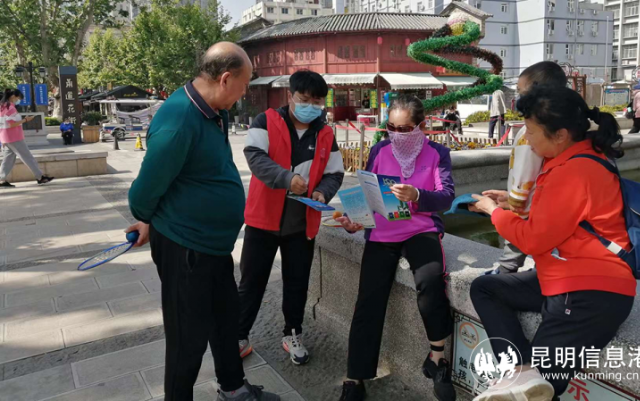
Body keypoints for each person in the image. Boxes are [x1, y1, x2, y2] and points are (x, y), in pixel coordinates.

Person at [127, 43, 279, 401]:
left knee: (225, 320)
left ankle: (233, 388)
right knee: (187, 338)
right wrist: (147, 217)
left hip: (212, 245)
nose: (245, 92)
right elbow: (142, 194)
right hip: (185, 248)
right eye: (245, 84)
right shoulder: (179, 120)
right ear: (225, 79)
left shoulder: (213, 111)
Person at [469, 86, 635, 401]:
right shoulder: (582, 157)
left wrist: (493, 213)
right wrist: (509, 203)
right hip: (565, 280)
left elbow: (532, 240)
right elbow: (566, 217)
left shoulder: (573, 171)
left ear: (560, 134)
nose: (527, 139)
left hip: (588, 294)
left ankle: (525, 378)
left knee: (541, 389)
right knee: (486, 288)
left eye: (531, 132)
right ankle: (519, 371)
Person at [336, 94, 456, 401]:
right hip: (382, 232)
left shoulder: (438, 153)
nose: (396, 134)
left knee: (430, 281)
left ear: (420, 126)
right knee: (368, 299)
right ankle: (355, 376)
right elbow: (367, 191)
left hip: (420, 230)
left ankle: (437, 358)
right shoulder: (379, 150)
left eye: (404, 129)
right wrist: (354, 219)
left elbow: (446, 197)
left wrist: (417, 195)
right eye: (391, 127)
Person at [238, 70, 345, 365]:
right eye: (304, 99)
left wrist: (323, 192)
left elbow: (335, 173)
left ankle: (293, 333)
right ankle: (239, 335)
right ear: (290, 96)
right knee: (251, 282)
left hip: (301, 225)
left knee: (297, 283)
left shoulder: (325, 133)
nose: (311, 105)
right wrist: (286, 178)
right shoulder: (265, 121)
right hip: (262, 220)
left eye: (317, 101)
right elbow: (255, 157)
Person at [482, 62, 567, 274]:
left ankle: (505, 272)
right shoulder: (558, 127)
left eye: (521, 91)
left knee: (516, 238)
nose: (518, 96)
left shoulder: (532, 134)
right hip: (542, 202)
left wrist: (515, 200)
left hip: (529, 203)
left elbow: (525, 168)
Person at [0, 89, 54, 187]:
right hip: (14, 137)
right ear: (13, 96)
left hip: (6, 137)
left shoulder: (2, 107)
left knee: (8, 159)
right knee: (27, 157)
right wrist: (25, 120)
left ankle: (1, 179)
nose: (18, 100)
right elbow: (11, 124)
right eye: (18, 98)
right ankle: (40, 177)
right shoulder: (10, 108)